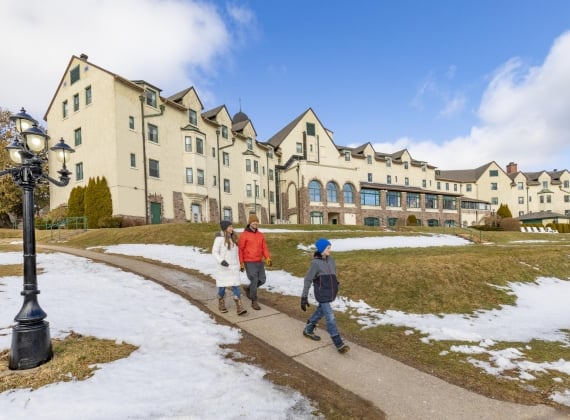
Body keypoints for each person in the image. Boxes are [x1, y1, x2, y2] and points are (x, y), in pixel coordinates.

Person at [300, 238, 350, 354]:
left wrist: (336, 285)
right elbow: (308, 279)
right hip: (321, 293)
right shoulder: (315, 264)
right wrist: (304, 296)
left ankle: (308, 329)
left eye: (330, 247)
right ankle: (338, 344)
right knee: (330, 317)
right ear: (322, 249)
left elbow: (333, 275)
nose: (330, 250)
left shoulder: (331, 260)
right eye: (328, 248)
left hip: (330, 293)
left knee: (321, 311)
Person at [212, 220, 247, 315]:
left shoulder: (234, 239)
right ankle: (221, 303)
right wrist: (221, 261)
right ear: (225, 228)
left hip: (233, 267)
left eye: (232, 226)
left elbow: (236, 254)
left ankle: (239, 307)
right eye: (229, 227)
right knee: (222, 287)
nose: (232, 228)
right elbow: (214, 252)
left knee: (236, 286)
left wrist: (240, 265)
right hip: (223, 268)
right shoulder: (219, 239)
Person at [238, 214, 271, 310]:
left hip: (259, 261)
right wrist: (241, 263)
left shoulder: (260, 235)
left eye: (256, 221)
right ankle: (254, 301)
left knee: (262, 280)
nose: (255, 223)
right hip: (249, 261)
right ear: (250, 222)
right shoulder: (244, 235)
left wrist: (267, 257)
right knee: (254, 280)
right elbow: (240, 250)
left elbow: (264, 247)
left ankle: (249, 288)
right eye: (253, 221)